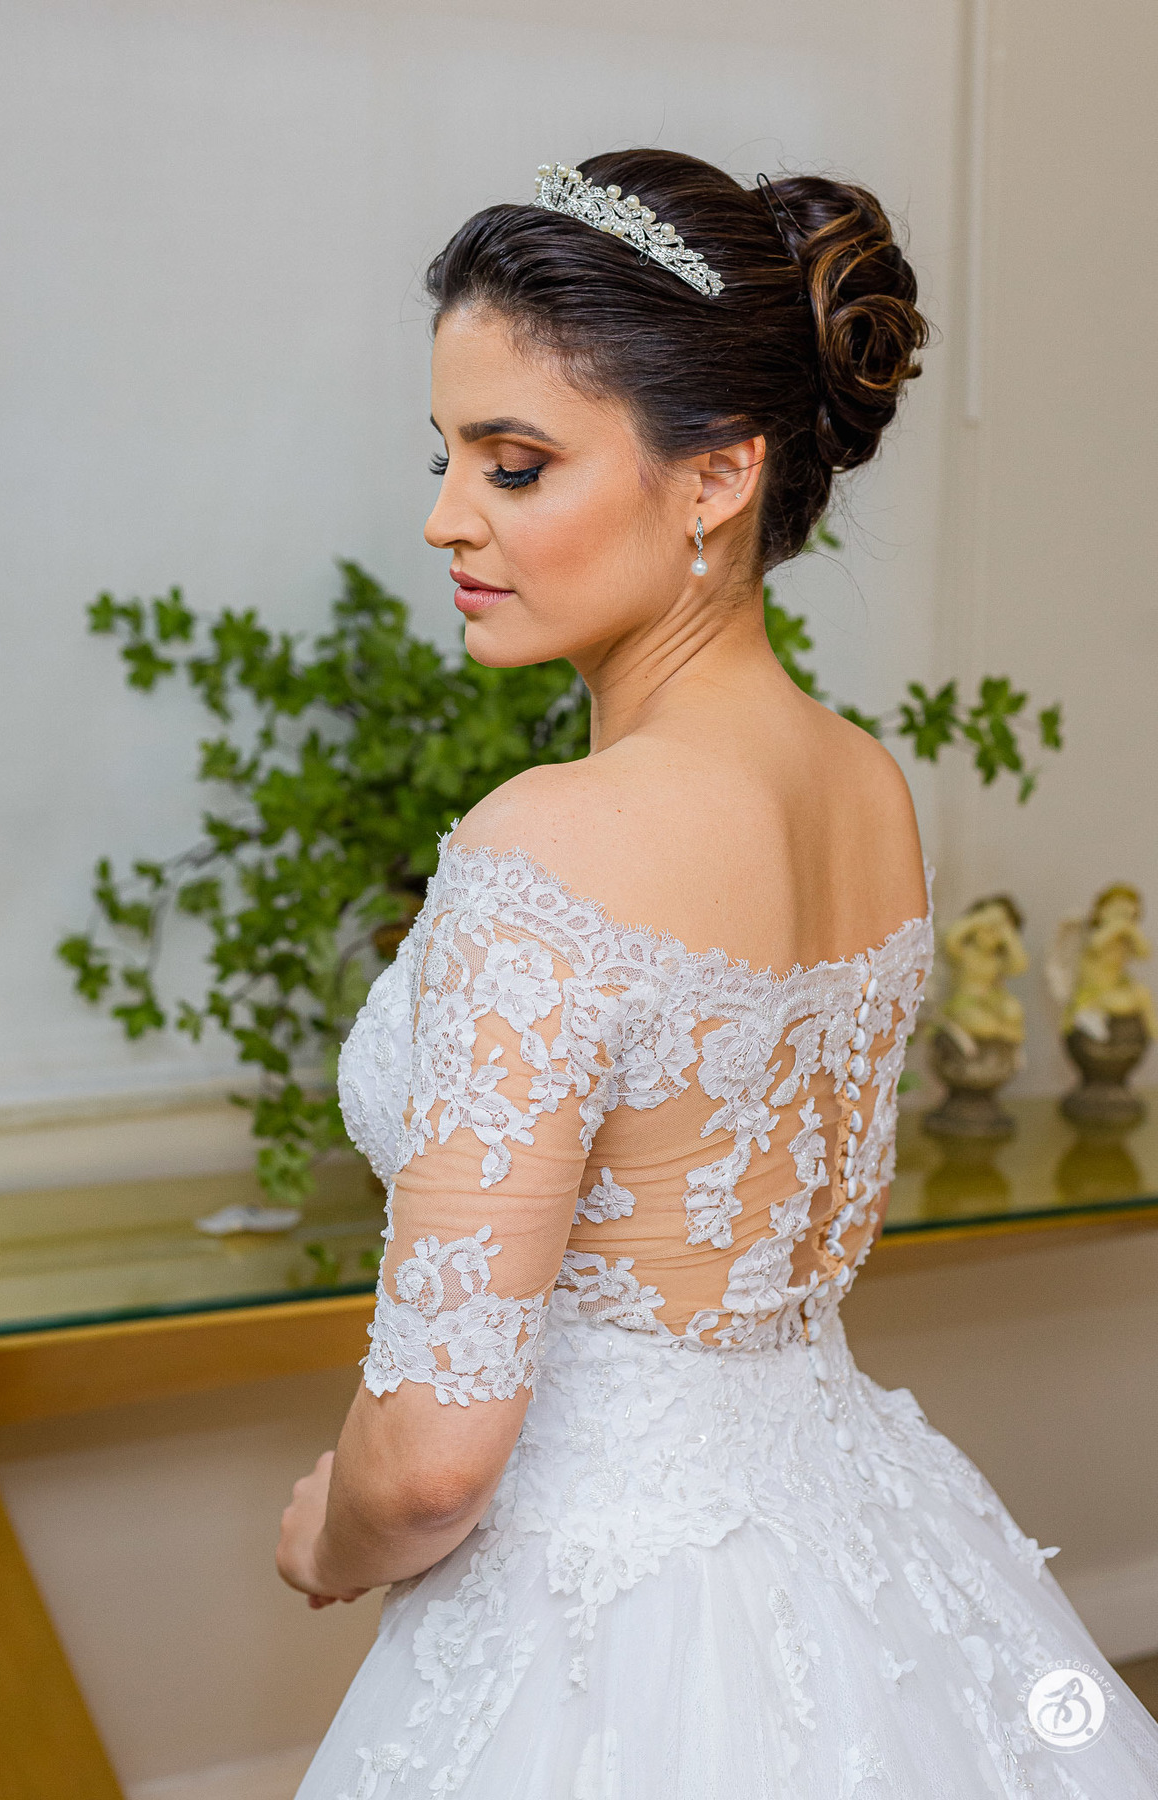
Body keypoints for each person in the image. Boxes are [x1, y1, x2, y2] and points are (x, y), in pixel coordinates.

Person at [277, 150, 1158, 1796]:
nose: (447, 515)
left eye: (515, 464)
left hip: (611, 1624)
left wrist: (328, 1530)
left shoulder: (553, 844)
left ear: (720, 474)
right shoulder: (867, 790)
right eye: (445, 455)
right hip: (862, 1549)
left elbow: (432, 1464)